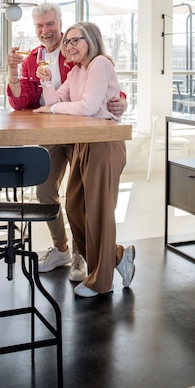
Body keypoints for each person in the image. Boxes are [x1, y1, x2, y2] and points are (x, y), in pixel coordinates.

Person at [6, 3, 127, 282]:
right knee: (46, 191)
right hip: (53, 134)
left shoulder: (78, 56)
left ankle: (81, 257)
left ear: (60, 25)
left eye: (50, 24)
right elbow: (21, 101)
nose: (45, 31)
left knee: (87, 201)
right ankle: (63, 249)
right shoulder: (34, 58)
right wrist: (13, 74)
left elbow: (103, 93)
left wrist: (121, 101)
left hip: (85, 136)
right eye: (39, 26)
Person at [34, 21, 135, 297]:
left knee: (99, 212)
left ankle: (101, 282)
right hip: (84, 143)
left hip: (103, 144)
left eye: (75, 40)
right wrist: (45, 81)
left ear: (91, 40)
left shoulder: (99, 64)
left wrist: (54, 108)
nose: (70, 46)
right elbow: (56, 98)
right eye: (67, 42)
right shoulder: (77, 71)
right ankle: (117, 257)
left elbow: (89, 107)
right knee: (75, 206)